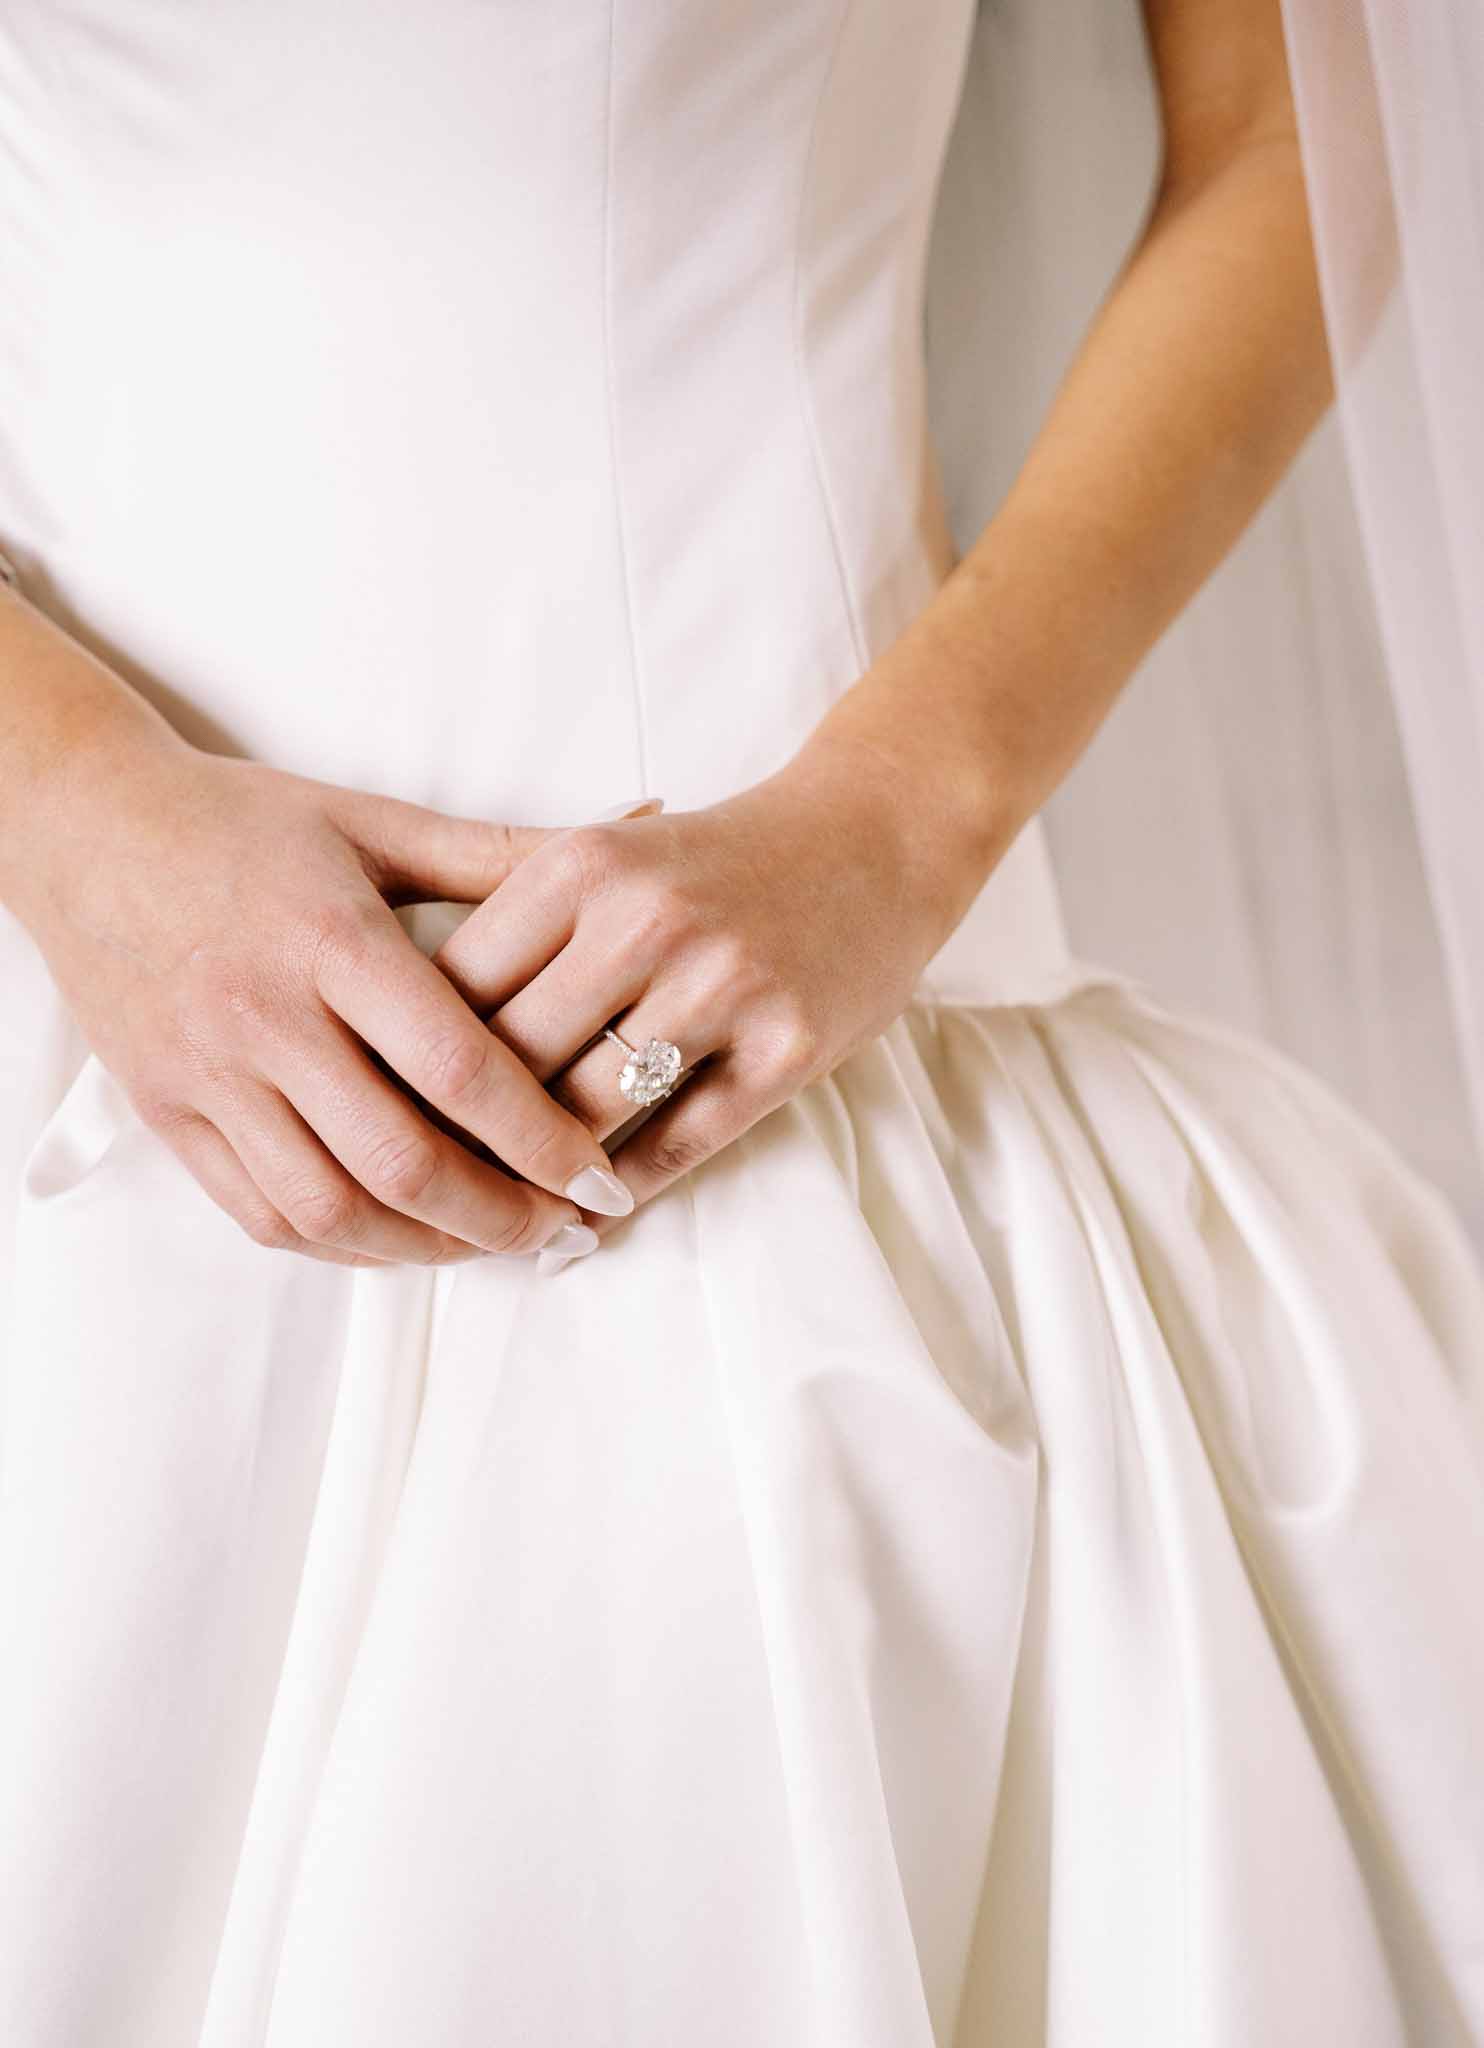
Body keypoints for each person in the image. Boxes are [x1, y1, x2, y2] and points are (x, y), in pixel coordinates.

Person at [0, 1, 1479, 2043]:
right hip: (70, 1084)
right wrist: (63, 802)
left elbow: (1300, 126)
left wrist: (901, 808)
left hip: (787, 1102)